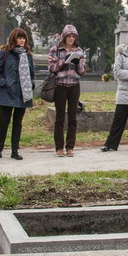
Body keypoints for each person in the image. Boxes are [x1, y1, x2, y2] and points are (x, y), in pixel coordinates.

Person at [0, 28, 34, 161]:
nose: (21, 40)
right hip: (7, 93)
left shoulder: (28, 55)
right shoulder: (4, 53)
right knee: (3, 123)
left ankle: (15, 150)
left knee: (18, 123)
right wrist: (4, 83)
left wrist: (30, 84)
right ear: (13, 38)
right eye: (19, 38)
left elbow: (32, 74)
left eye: (23, 38)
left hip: (23, 93)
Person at [47, 25, 86, 157]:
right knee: (59, 118)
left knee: (73, 117)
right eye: (69, 36)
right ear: (64, 36)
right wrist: (63, 61)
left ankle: (70, 146)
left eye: (73, 36)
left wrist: (77, 63)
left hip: (74, 85)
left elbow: (82, 71)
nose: (71, 39)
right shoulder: (56, 49)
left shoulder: (79, 50)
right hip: (60, 85)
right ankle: (59, 147)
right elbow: (51, 68)